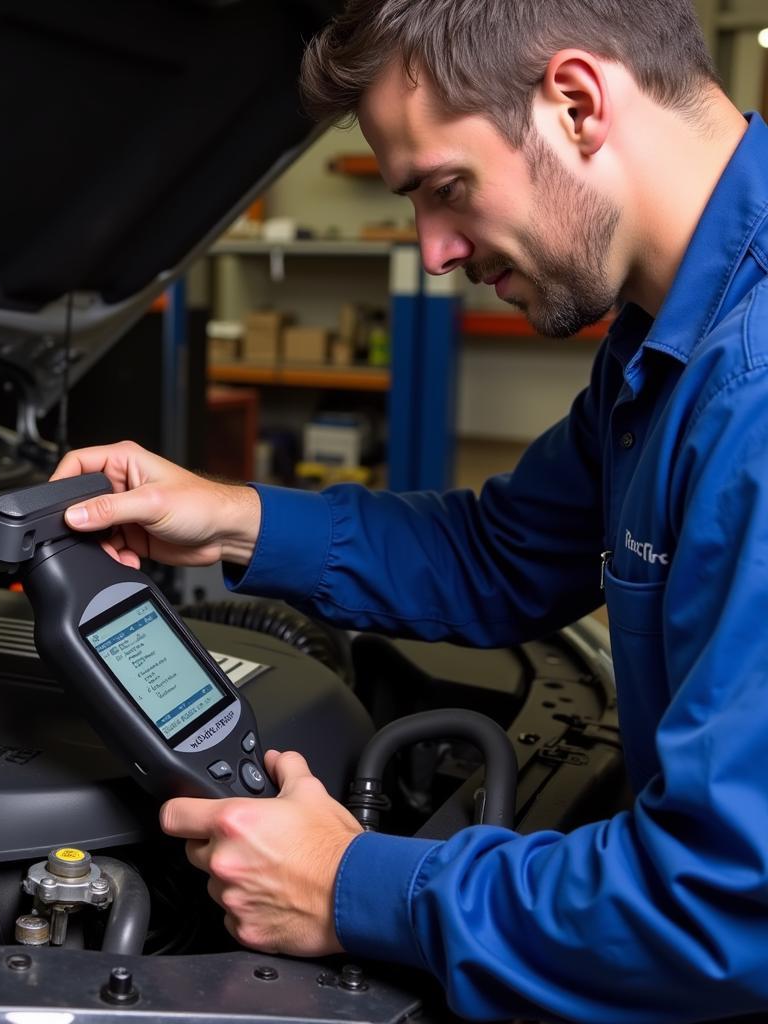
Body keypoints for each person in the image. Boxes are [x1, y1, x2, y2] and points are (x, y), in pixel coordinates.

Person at [52, 1, 768, 1019]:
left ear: (575, 102)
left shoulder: (752, 386)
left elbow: (724, 906)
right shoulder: (669, 337)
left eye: (446, 189)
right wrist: (225, 517)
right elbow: (502, 554)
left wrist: (350, 887)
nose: (433, 251)